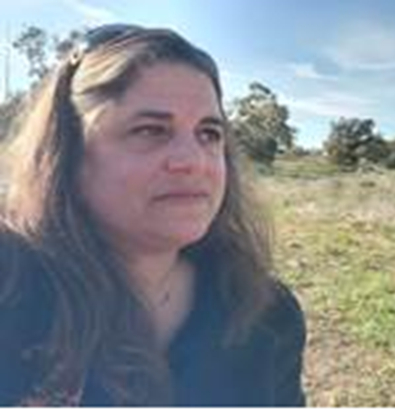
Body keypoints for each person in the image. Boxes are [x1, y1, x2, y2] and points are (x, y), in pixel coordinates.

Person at [0, 24, 306, 406]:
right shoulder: (11, 288)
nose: (194, 162)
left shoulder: (266, 317)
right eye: (150, 130)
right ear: (67, 152)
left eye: (209, 134)